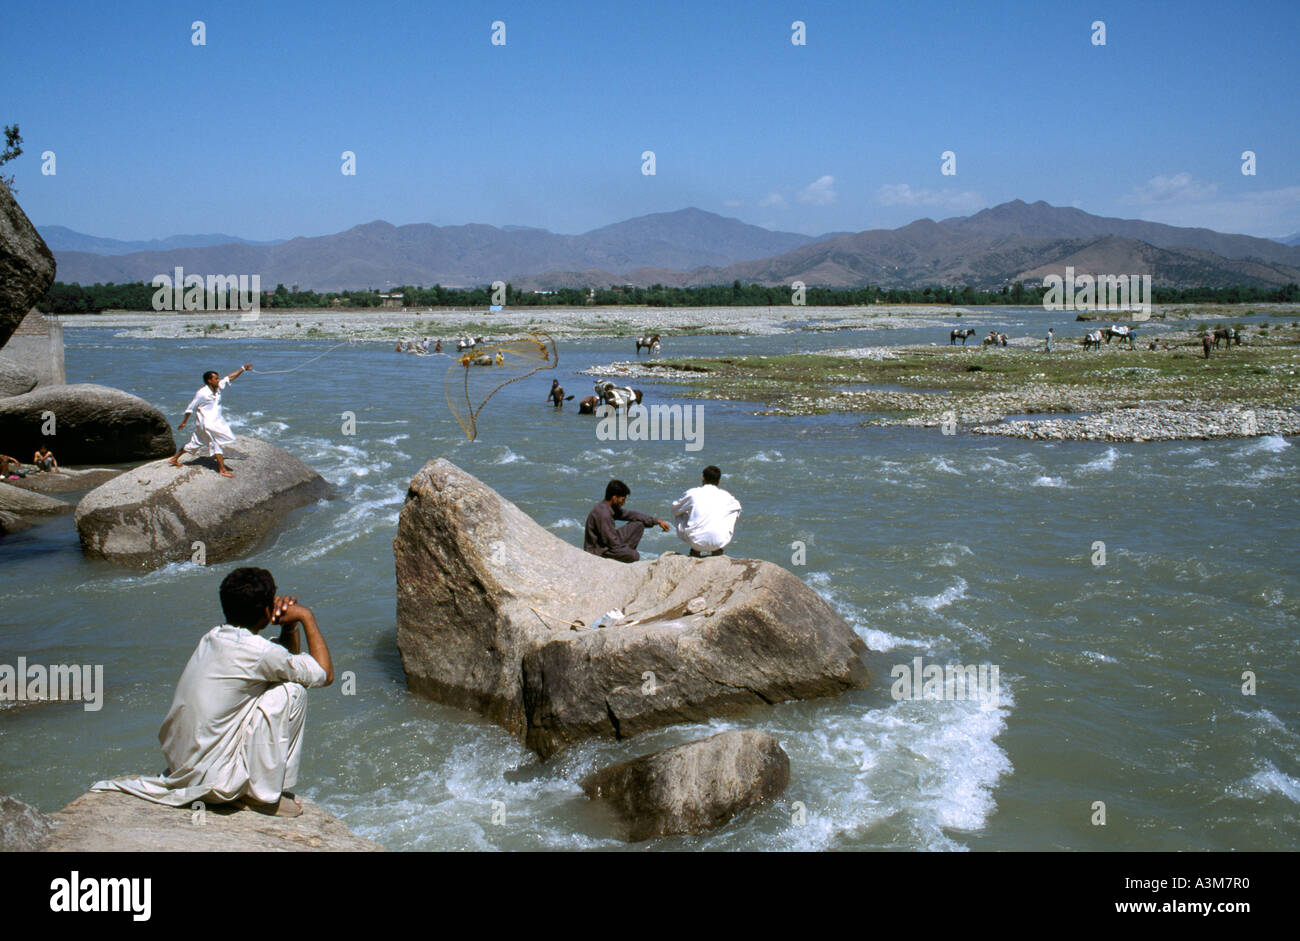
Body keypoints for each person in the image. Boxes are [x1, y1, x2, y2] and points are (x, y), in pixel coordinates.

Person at [91, 567, 333, 817]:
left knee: (280, 682)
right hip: (214, 781)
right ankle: (262, 797)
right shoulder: (260, 653)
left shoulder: (213, 637)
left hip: (183, 769)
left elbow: (280, 663)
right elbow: (325, 675)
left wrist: (289, 628)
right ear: (265, 613)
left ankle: (246, 787)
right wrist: (305, 616)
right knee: (292, 691)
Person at [167, 364, 251, 478]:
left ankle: (174, 459)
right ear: (209, 380)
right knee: (216, 443)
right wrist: (184, 422)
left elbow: (230, 377)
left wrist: (243, 369)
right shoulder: (202, 393)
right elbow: (190, 408)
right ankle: (222, 469)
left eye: (218, 378)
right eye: (216, 378)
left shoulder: (217, 387)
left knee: (195, 442)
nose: (218, 380)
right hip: (207, 423)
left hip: (214, 421)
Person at [584, 479, 668, 563]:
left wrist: (657, 521)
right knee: (634, 555)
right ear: (614, 498)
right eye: (622, 500)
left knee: (639, 524)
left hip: (607, 542)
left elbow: (631, 515)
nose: (624, 503)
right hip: (599, 550)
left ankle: (625, 553)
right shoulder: (604, 514)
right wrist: (626, 551)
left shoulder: (609, 506)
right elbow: (612, 543)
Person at [672, 465, 742, 557]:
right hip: (719, 541)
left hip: (695, 542)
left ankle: (696, 551)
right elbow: (738, 508)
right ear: (719, 481)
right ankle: (716, 549)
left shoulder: (693, 493)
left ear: (703, 479)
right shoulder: (727, 497)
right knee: (732, 511)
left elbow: (675, 509)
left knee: (680, 513)